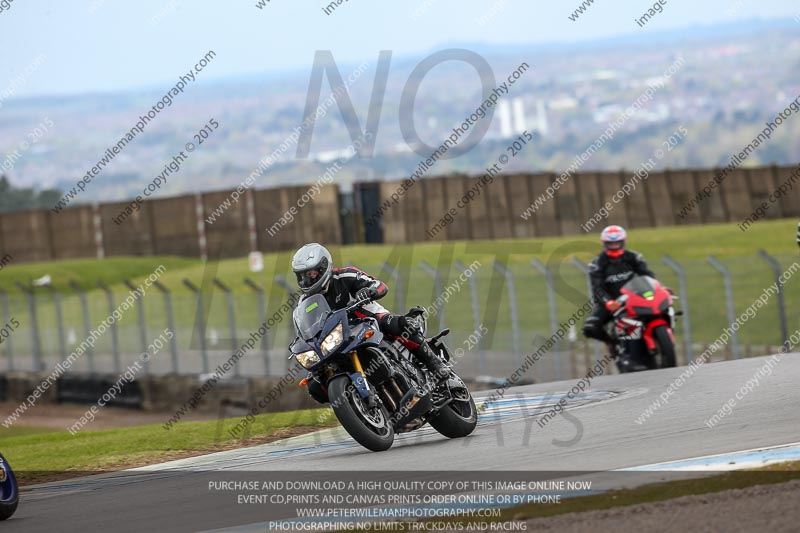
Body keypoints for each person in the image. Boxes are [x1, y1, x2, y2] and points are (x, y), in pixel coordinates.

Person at [290, 243, 450, 387]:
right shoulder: (305, 302)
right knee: (315, 383)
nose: (306, 279)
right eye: (302, 276)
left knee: (400, 325)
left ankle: (435, 364)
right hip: (339, 338)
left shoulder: (344, 275)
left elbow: (379, 285)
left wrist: (369, 291)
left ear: (323, 267)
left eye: (310, 274)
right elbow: (305, 329)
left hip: (368, 318)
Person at [582, 225, 656, 360]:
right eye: (611, 243)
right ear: (604, 244)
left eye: (617, 243)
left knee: (657, 308)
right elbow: (597, 288)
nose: (614, 246)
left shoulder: (634, 257)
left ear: (623, 241)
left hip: (635, 298)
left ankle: (658, 336)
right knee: (590, 327)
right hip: (609, 302)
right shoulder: (596, 264)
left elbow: (647, 275)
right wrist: (608, 302)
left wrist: (656, 289)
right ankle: (611, 342)